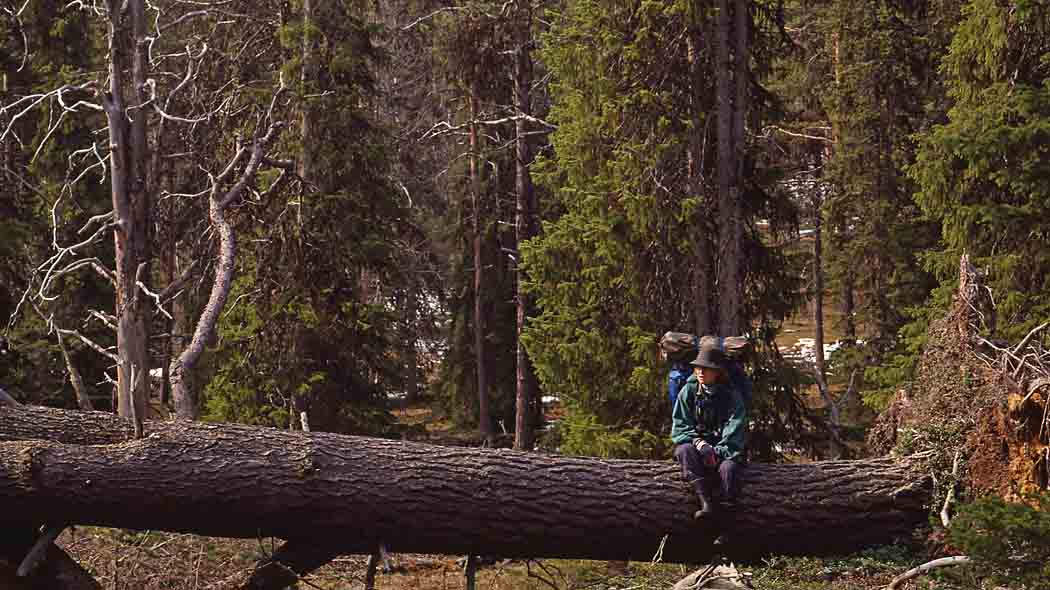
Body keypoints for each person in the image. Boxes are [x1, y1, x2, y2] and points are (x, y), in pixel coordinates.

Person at [671, 345, 747, 520]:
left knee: (729, 470)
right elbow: (680, 425)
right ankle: (705, 502)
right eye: (698, 367)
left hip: (724, 452)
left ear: (717, 372)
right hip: (698, 448)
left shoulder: (732, 396)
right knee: (684, 451)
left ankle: (727, 523)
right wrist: (699, 443)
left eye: (706, 368)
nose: (701, 372)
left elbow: (735, 430)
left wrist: (716, 452)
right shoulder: (688, 391)